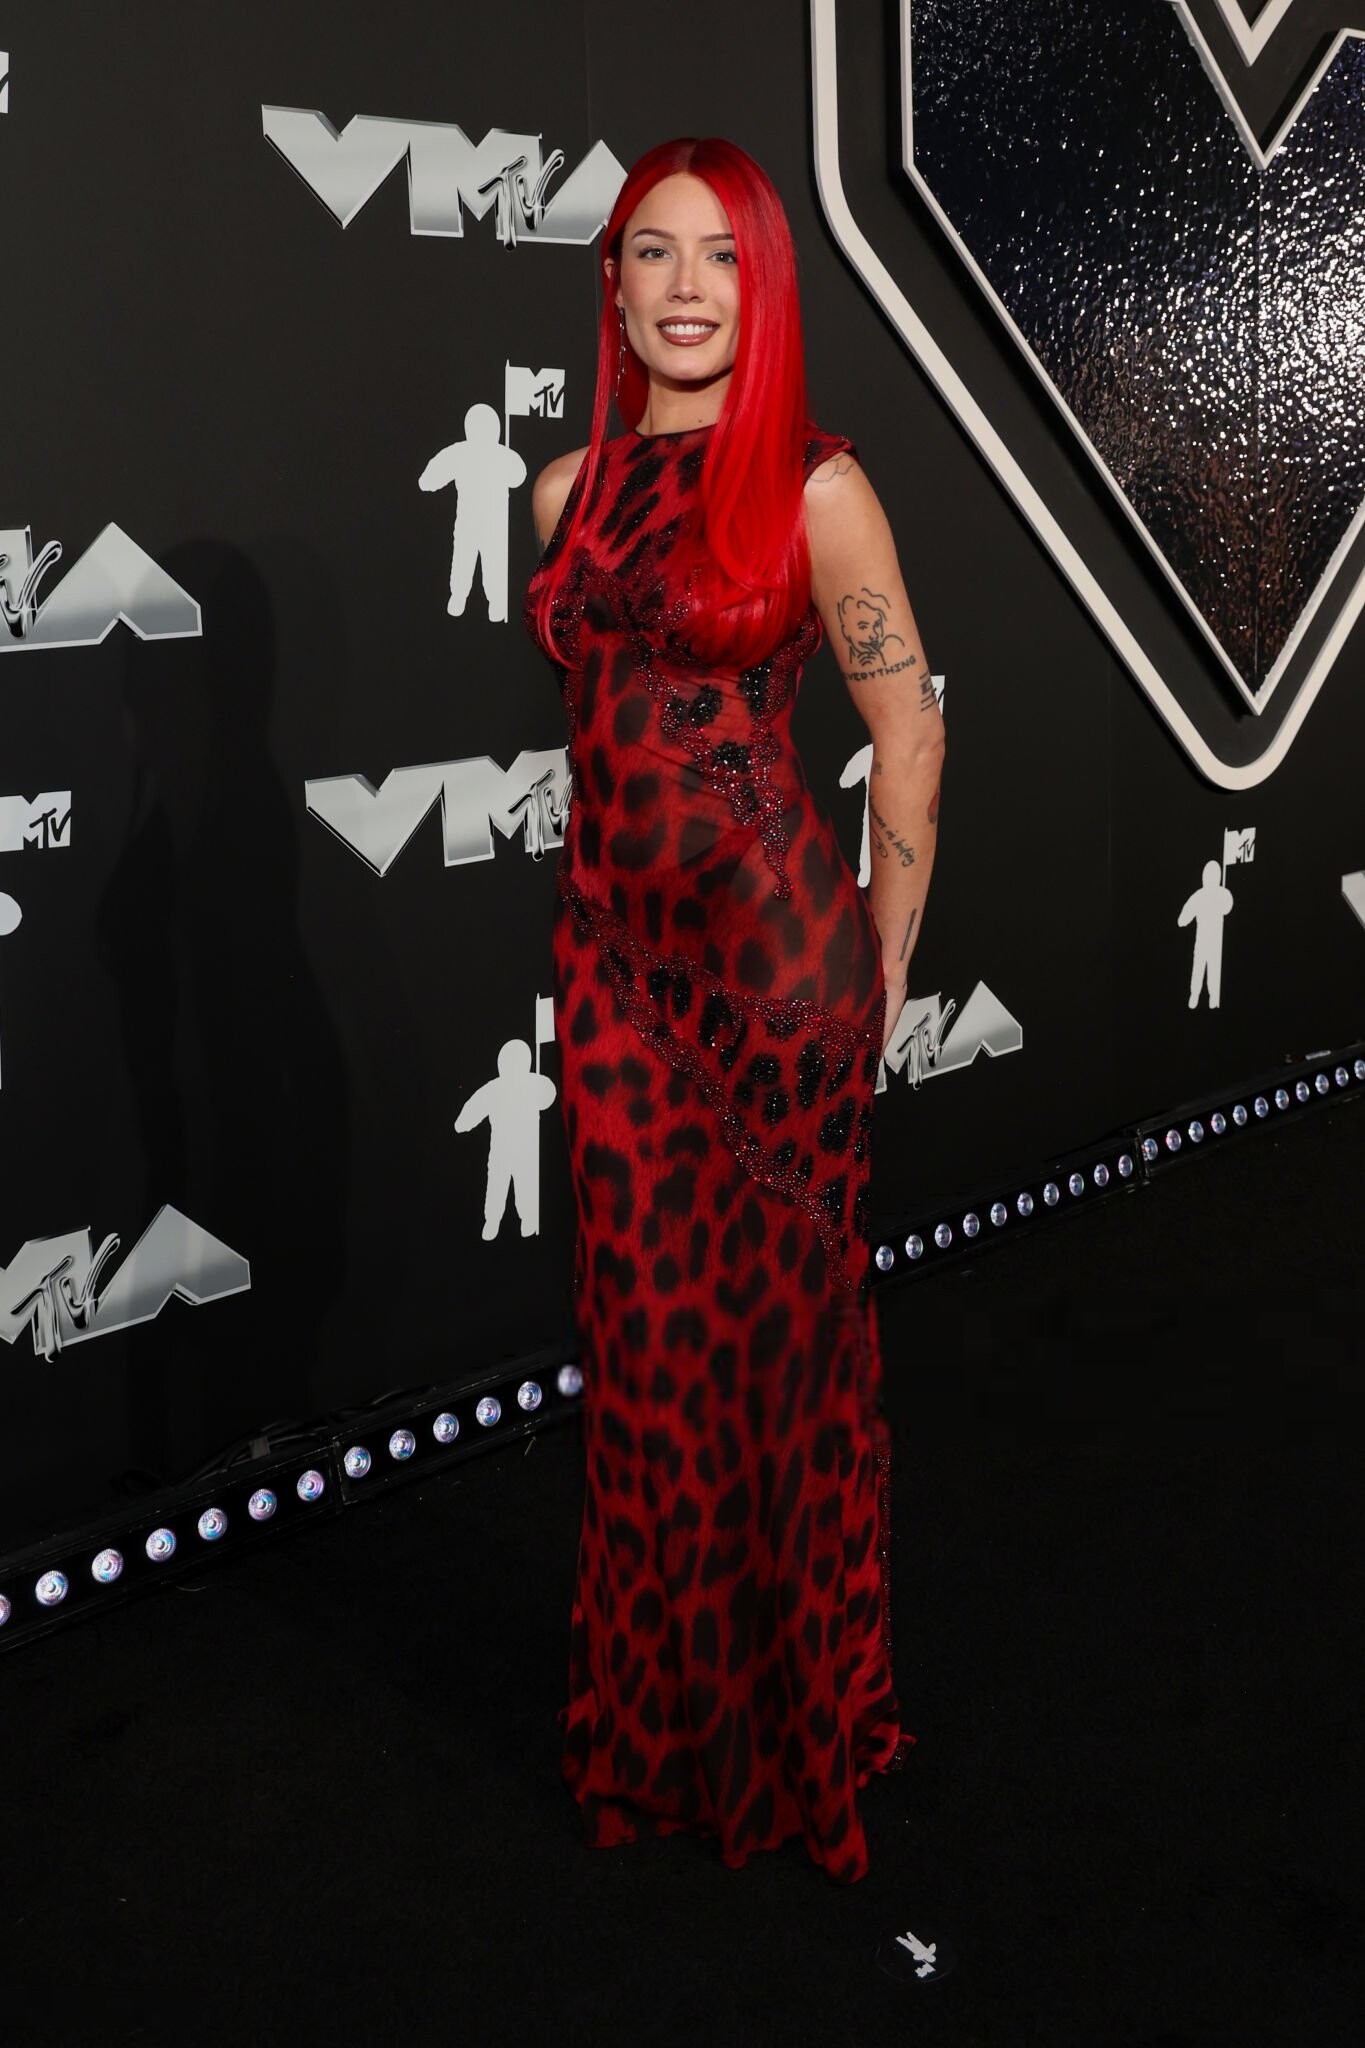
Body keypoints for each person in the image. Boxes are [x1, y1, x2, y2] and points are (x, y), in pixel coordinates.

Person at [523, 137, 945, 1884]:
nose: (685, 285)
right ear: (613, 285)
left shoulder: (815, 487)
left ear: (762, 291)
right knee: (642, 1366)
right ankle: (666, 1737)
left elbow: (905, 728)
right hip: (613, 981)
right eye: (653, 253)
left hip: (778, 987)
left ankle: (791, 1735)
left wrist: (886, 961)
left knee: (778, 1368)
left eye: (720, 257)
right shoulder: (562, 491)